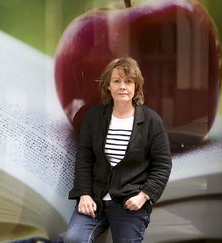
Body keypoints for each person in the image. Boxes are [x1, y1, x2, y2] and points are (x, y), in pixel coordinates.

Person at [64, 57, 172, 243]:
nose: (122, 86)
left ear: (136, 87)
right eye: (117, 81)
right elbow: (84, 158)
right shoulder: (95, 117)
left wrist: (143, 196)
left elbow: (162, 164)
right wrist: (84, 194)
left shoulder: (151, 121)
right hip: (94, 201)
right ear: (108, 86)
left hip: (130, 203)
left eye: (128, 81)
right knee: (74, 239)